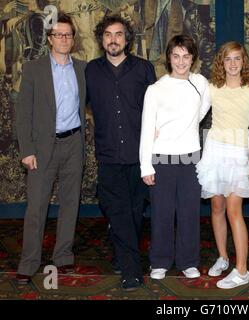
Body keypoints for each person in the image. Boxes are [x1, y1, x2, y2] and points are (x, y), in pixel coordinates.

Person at [85, 15, 156, 291]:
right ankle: (131, 270)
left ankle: (121, 251)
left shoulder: (144, 69)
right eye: (107, 35)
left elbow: (158, 109)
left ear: (127, 39)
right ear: (101, 39)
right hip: (108, 154)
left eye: (118, 34)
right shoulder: (90, 70)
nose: (113, 39)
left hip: (140, 155)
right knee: (119, 211)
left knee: (135, 212)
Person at [15, 12, 86, 284]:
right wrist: (27, 150)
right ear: (49, 38)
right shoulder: (34, 69)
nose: (63, 39)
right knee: (36, 207)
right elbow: (23, 114)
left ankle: (63, 257)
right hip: (42, 148)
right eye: (58, 34)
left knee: (70, 204)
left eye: (68, 34)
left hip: (73, 145)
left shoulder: (82, 69)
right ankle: (29, 261)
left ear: (73, 38)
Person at [139, 34, 210, 280]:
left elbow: (200, 113)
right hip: (161, 161)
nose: (181, 62)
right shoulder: (155, 89)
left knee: (190, 213)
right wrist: (145, 166)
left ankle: (188, 261)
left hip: (191, 160)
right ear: (169, 58)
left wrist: (184, 127)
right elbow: (147, 129)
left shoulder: (200, 83)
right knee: (162, 213)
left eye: (186, 56)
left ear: (193, 58)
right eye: (176, 56)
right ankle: (159, 261)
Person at [196, 41, 249, 289]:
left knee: (235, 210)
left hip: (238, 154)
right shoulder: (213, 88)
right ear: (221, 63)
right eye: (227, 59)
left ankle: (242, 269)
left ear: (244, 61)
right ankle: (223, 257)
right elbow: (197, 116)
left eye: (237, 58)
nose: (232, 64)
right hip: (214, 151)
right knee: (217, 206)